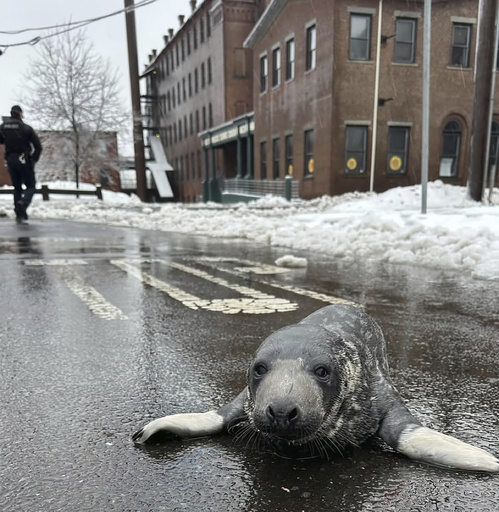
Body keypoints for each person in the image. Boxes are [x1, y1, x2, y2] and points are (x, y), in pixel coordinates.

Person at [0, 105, 42, 223]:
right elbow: (38, 147)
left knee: (17, 187)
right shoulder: (26, 128)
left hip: (11, 160)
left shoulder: (3, 128)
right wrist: (33, 159)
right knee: (31, 186)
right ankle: (23, 203)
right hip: (24, 159)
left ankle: (19, 214)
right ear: (20, 113)